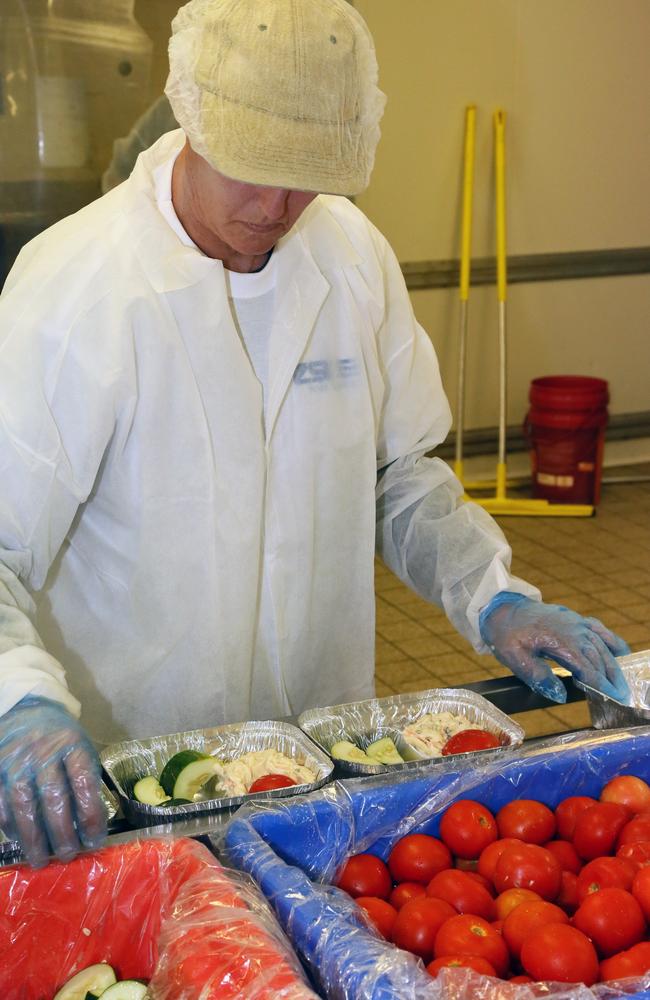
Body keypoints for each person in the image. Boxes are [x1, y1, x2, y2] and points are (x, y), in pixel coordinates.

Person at [0, 0, 630, 868]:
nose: (276, 206)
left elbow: (397, 473)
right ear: (193, 120)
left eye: (306, 177)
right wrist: (18, 704)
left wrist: (493, 596)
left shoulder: (350, 261)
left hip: (322, 760)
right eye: (252, 171)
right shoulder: (76, 291)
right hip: (136, 772)